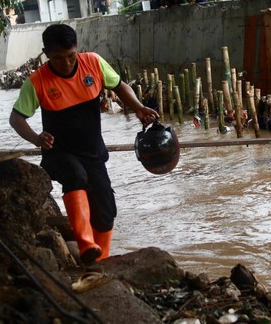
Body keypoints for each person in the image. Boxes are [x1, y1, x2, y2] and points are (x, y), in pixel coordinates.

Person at [9, 24, 159, 265]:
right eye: (58, 58)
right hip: (58, 155)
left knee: (107, 212)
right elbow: (16, 119)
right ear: (46, 53)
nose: (67, 63)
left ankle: (100, 262)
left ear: (77, 49)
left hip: (93, 153)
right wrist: (36, 138)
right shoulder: (37, 81)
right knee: (75, 175)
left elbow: (120, 86)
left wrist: (138, 107)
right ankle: (86, 244)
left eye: (71, 56)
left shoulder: (94, 63)